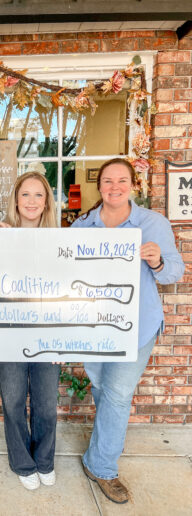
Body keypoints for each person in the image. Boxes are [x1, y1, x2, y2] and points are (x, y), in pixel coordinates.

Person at [72, 158, 184, 504]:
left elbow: (175, 272)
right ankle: (101, 448)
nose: (115, 187)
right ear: (99, 186)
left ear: (134, 185)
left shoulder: (153, 223)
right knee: (103, 387)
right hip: (93, 325)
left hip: (136, 325)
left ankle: (102, 467)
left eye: (122, 180)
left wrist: (158, 261)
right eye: (108, 181)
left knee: (118, 394)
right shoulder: (82, 226)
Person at [0, 171, 61, 491]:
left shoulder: (61, 242)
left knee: (46, 403)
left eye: (38, 195)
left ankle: (45, 461)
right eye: (25, 194)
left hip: (48, 332)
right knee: (12, 401)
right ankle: (23, 463)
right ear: (16, 200)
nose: (32, 201)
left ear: (47, 201)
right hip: (9, 332)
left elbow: (70, 291)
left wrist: (63, 338)